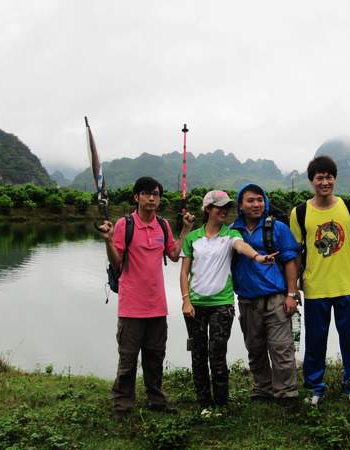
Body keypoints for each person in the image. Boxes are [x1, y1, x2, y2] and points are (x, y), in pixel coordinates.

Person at [99, 176, 195, 420]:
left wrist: (185, 229)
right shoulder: (125, 224)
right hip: (131, 306)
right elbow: (117, 262)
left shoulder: (162, 225)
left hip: (157, 305)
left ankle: (156, 399)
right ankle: (122, 404)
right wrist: (109, 241)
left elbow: (174, 254)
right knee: (128, 358)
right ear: (136, 197)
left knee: (155, 356)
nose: (152, 198)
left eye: (156, 194)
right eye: (146, 193)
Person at [180, 190, 276, 411]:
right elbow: (184, 272)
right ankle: (204, 403)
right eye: (219, 207)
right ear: (208, 209)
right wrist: (186, 301)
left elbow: (241, 246)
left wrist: (258, 257)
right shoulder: (193, 238)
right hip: (195, 305)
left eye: (227, 207)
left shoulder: (231, 234)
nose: (224, 211)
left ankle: (221, 403)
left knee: (217, 355)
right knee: (198, 355)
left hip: (222, 306)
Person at [289, 155, 350, 406]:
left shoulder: (349, 207)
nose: (325, 182)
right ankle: (315, 388)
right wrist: (294, 287)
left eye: (329, 177)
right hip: (315, 288)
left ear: (335, 179)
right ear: (311, 181)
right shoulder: (300, 212)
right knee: (315, 342)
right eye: (320, 177)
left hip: (347, 286)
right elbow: (295, 252)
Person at [230, 183, 300, 410]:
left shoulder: (277, 228)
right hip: (247, 299)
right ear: (241, 205)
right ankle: (263, 388)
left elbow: (290, 261)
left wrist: (291, 294)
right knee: (255, 347)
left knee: (281, 347)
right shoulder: (232, 231)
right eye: (250, 200)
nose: (256, 204)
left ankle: (287, 393)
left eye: (260, 199)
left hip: (276, 297)